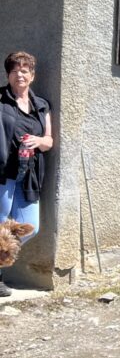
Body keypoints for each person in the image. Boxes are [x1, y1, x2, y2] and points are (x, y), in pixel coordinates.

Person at [0, 51, 53, 298]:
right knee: (0, 224)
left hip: (29, 174)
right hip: (4, 173)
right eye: (14, 70)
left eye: (24, 70)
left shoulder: (41, 105)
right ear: (8, 75)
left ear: (32, 75)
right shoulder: (0, 100)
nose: (19, 74)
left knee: (30, 227)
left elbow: (49, 141)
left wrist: (38, 140)